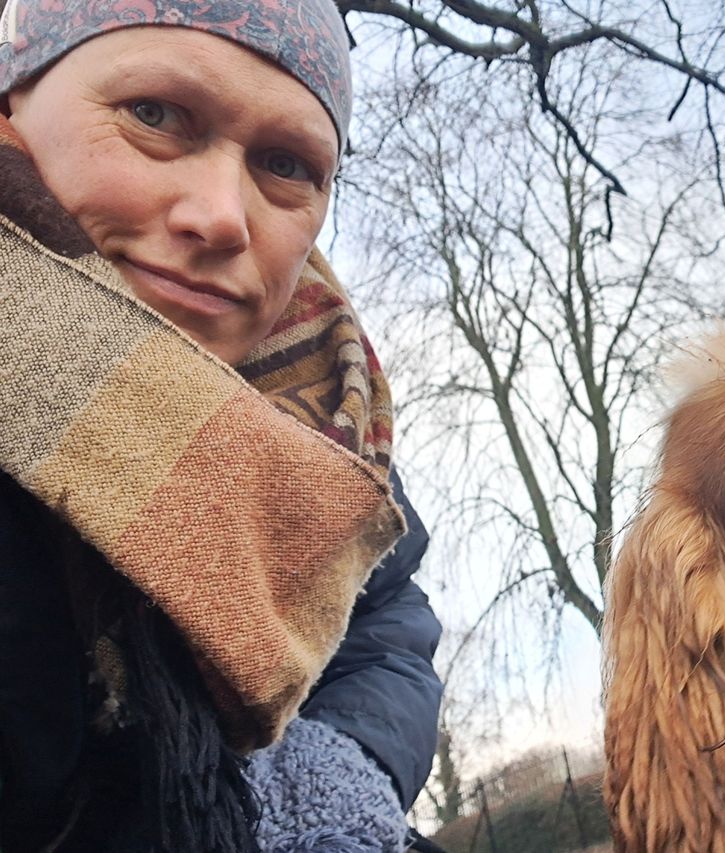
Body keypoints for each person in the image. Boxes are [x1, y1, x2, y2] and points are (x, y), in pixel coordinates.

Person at [0, 0, 443, 850]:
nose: (223, 216)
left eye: (286, 164)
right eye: (156, 116)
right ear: (15, 100)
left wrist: (337, 770)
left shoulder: (325, 435)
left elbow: (386, 627)